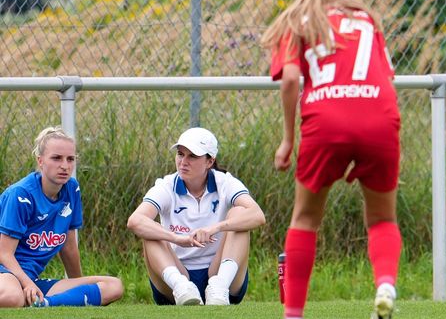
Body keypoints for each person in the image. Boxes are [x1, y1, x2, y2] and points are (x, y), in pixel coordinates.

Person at [261, 0, 403, 319]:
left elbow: (291, 80)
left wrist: (288, 140)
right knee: (382, 220)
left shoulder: (295, 20)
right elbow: (383, 73)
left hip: (326, 118)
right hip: (380, 112)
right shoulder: (367, 18)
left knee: (305, 219)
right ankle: (385, 286)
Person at [127, 127, 265, 306]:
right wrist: (177, 238)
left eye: (192, 156)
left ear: (210, 161)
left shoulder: (225, 182)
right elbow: (135, 221)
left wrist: (216, 228)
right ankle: (182, 287)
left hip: (218, 273)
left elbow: (257, 215)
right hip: (177, 277)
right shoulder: (166, 185)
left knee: (239, 213)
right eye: (180, 154)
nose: (183, 162)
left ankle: (219, 288)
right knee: (149, 230)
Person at [0, 126, 124, 307]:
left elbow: (69, 247)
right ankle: (27, 299)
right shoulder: (21, 195)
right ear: (40, 161)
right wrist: (27, 284)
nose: (65, 166)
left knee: (114, 286)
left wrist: (77, 285)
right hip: (6, 273)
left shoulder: (71, 189)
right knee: (13, 297)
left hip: (29, 281)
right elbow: (4, 254)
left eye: (70, 159)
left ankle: (43, 304)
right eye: (56, 158)